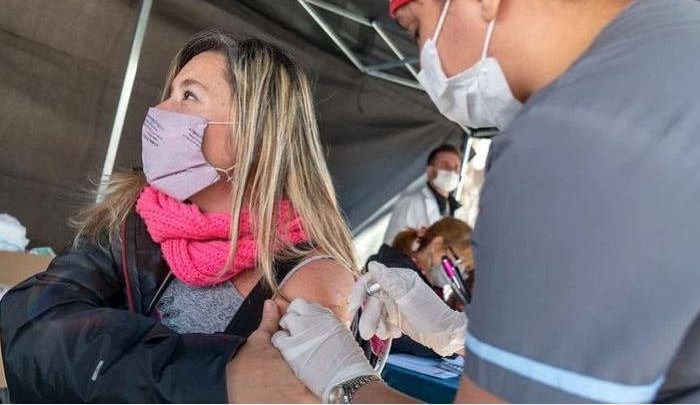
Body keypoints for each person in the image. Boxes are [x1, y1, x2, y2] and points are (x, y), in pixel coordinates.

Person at [270, 0, 700, 403]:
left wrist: (348, 382)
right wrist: (464, 333)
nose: (423, 62)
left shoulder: (573, 132)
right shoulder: (674, 42)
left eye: (419, 29)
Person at [0, 29, 359, 403]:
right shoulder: (134, 219)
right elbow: (32, 321)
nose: (158, 111)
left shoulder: (311, 276)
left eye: (188, 95)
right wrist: (218, 377)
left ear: (256, 135)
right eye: (169, 94)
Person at [367, 217, 473, 357]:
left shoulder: (430, 286)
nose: (459, 270)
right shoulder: (399, 272)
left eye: (464, 268)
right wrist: (452, 347)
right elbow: (407, 338)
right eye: (458, 260)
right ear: (437, 244)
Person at [383, 144, 463, 244]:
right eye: (446, 166)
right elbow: (391, 246)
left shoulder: (453, 209)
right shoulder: (410, 203)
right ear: (430, 171)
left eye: (456, 168)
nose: (452, 172)